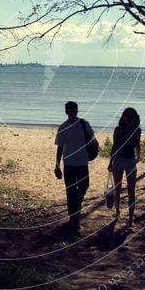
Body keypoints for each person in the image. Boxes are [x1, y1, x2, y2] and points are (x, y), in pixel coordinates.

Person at [54, 101, 95, 235]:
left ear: (77, 111)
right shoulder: (63, 127)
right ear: (66, 112)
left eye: (75, 110)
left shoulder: (84, 123)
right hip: (69, 164)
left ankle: (75, 210)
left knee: (84, 187)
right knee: (70, 192)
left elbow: (92, 138)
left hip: (83, 163)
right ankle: (74, 219)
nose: (73, 112)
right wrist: (57, 165)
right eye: (70, 110)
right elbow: (59, 147)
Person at [109, 107, 141, 228]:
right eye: (127, 117)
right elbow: (115, 145)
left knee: (131, 191)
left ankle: (131, 220)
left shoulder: (137, 131)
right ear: (123, 117)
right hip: (119, 160)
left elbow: (137, 144)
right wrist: (110, 161)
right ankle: (117, 212)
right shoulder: (118, 130)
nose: (129, 119)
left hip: (130, 161)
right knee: (117, 189)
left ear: (135, 119)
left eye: (132, 117)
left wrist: (138, 157)